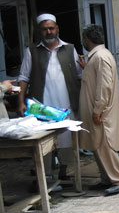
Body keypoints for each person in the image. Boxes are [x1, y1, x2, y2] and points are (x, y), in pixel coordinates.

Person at [18, 13, 82, 180]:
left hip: (66, 102)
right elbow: (23, 78)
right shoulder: (32, 51)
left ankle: (65, 170)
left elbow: (80, 76)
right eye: (45, 29)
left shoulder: (69, 49)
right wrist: (21, 102)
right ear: (40, 31)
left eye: (51, 28)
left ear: (57, 29)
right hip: (42, 105)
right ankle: (45, 175)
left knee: (68, 137)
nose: (48, 32)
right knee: (43, 139)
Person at [78, 24, 119, 195]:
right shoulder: (97, 57)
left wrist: (97, 110)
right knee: (97, 146)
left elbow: (104, 86)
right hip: (98, 111)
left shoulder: (100, 57)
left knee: (105, 146)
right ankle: (107, 178)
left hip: (101, 113)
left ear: (87, 39)